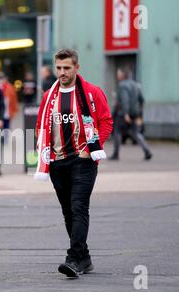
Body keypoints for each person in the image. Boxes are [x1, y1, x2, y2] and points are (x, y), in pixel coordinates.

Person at [34, 49, 113, 278]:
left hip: (83, 159)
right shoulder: (50, 96)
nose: (62, 72)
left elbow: (106, 121)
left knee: (79, 207)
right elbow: (40, 125)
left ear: (76, 68)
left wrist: (92, 149)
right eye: (58, 68)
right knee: (68, 211)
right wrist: (42, 153)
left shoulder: (91, 93)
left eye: (67, 68)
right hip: (57, 161)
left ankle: (73, 258)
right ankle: (84, 258)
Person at [109, 68, 152, 160]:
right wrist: (138, 112)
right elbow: (142, 100)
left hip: (123, 114)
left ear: (122, 76)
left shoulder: (122, 86)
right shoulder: (136, 85)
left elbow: (125, 100)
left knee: (117, 132)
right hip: (135, 114)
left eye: (119, 74)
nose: (117, 75)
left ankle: (116, 154)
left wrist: (125, 114)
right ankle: (147, 151)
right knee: (136, 133)